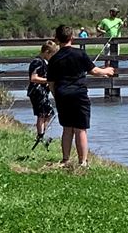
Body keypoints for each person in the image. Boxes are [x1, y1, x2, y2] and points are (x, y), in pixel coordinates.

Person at [45, 25, 116, 170]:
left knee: (67, 128)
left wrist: (56, 96)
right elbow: (94, 71)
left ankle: (65, 159)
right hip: (79, 95)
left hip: (62, 95)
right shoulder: (80, 54)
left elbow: (51, 83)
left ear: (57, 39)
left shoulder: (54, 59)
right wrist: (107, 70)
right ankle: (82, 162)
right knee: (80, 129)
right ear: (72, 38)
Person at [25, 37, 59, 146]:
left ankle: (42, 134)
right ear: (46, 52)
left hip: (42, 91)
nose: (52, 58)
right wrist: (48, 81)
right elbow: (33, 78)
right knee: (42, 114)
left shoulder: (43, 62)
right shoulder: (37, 62)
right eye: (52, 55)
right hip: (37, 92)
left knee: (48, 113)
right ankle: (40, 136)